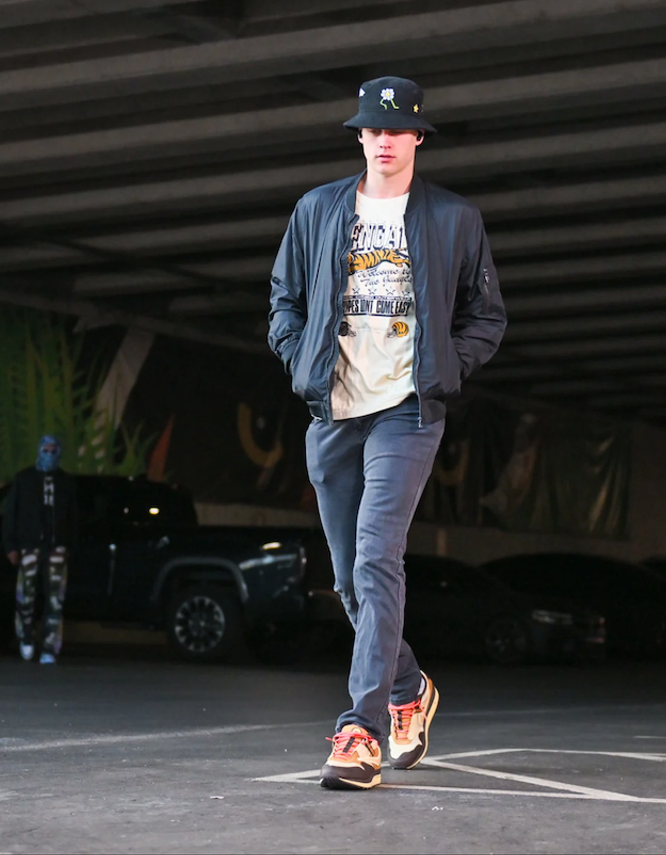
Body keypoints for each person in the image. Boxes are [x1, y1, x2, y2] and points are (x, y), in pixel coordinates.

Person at [267, 76, 507, 790]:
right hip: (333, 410)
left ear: (417, 138)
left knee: (377, 558)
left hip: (408, 409)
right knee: (346, 578)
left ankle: (361, 729)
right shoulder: (316, 209)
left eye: (397, 131)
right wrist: (298, 361)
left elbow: (486, 317)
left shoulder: (454, 219)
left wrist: (443, 370)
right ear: (361, 138)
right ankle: (408, 686)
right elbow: (284, 300)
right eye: (372, 131)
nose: (384, 141)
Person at [2, 435, 79, 665]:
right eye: (45, 449)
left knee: (55, 599)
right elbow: (10, 515)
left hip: (56, 548)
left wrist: (69, 547)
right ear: (38, 450)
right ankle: (26, 635)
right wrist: (11, 547)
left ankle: (49, 647)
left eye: (53, 450)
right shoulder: (24, 479)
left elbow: (73, 518)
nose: (49, 454)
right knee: (25, 596)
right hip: (29, 546)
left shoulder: (66, 482)